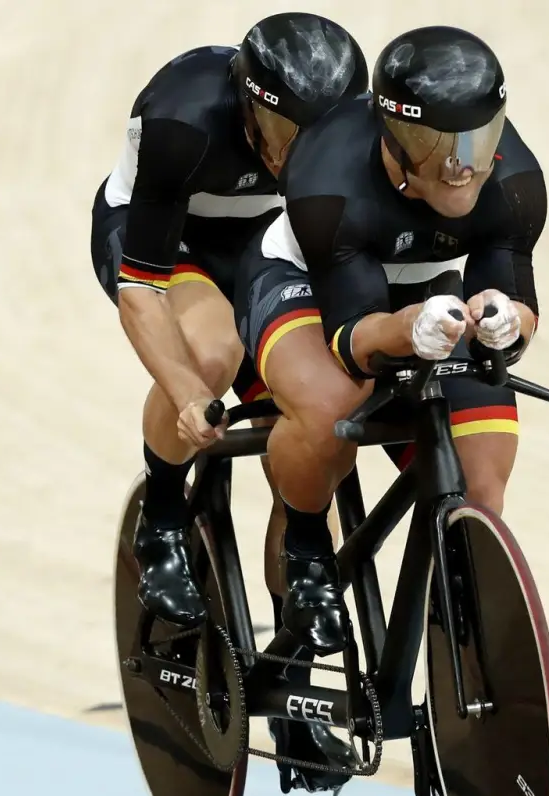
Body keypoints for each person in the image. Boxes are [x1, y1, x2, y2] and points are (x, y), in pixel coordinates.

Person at [235, 25, 545, 663]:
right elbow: (353, 341)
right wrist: (409, 329)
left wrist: (505, 320)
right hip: (309, 281)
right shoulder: (327, 181)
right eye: (435, 146)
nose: (461, 165)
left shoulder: (514, 183)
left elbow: (516, 301)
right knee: (329, 409)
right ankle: (305, 544)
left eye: (478, 140)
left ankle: (452, 652)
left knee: (480, 488)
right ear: (393, 139)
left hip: (424, 290)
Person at [91, 14, 368, 632]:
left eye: (317, 136)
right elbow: (142, 289)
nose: (295, 152)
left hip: (260, 250)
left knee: (305, 441)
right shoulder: (181, 118)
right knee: (211, 354)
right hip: (169, 243)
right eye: (281, 129)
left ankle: (290, 672)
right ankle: (161, 520)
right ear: (246, 101)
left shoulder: (357, 138)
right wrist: (189, 393)